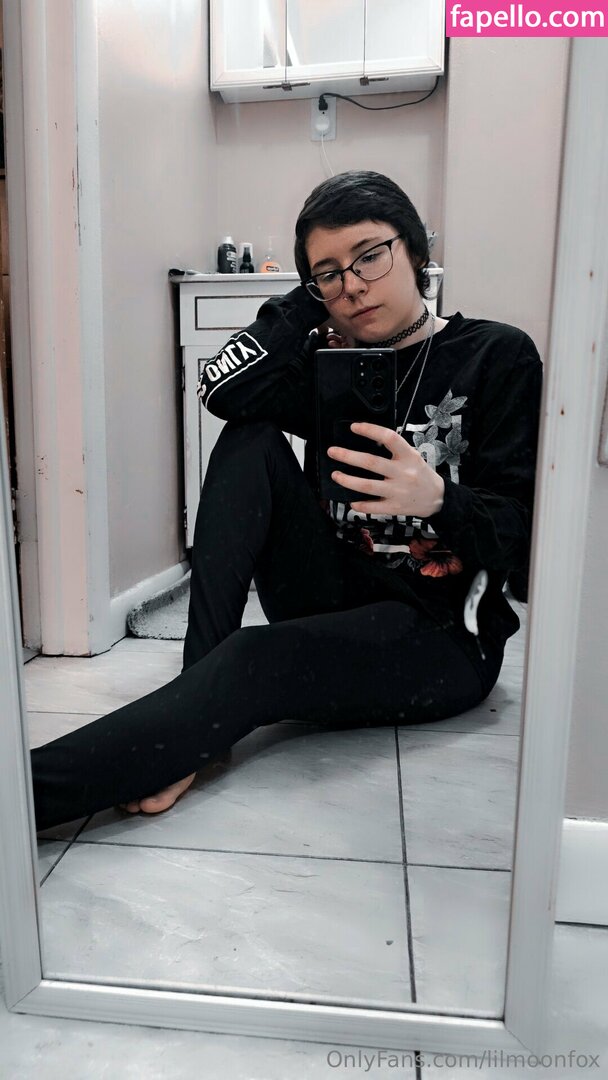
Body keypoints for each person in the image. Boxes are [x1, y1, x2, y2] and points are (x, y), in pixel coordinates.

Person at [31, 171, 542, 831]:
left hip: (443, 635)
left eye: (370, 256)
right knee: (249, 437)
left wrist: (437, 497)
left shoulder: (497, 355)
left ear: (415, 249)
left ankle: (28, 796)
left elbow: (519, 536)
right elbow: (221, 389)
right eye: (328, 273)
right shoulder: (323, 364)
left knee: (256, 660)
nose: (353, 285)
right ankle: (198, 715)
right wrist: (305, 303)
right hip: (331, 591)